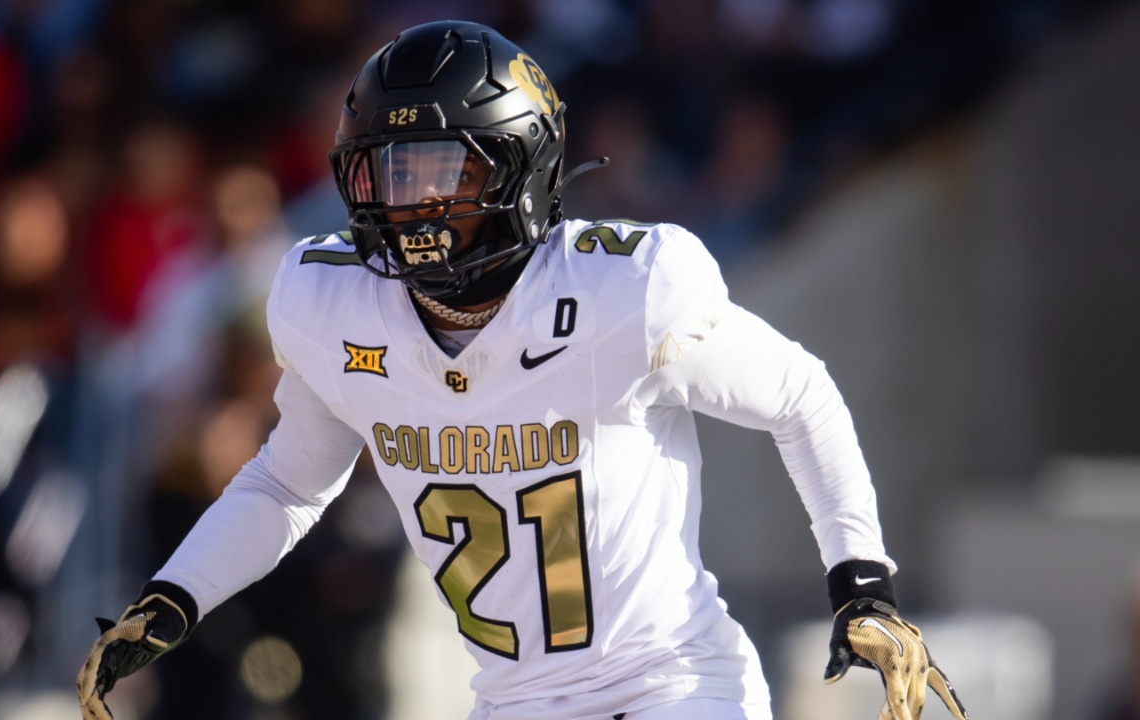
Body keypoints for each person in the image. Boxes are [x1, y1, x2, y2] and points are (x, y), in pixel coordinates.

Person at [77, 20, 969, 720]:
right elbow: (284, 483)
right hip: (510, 702)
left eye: (438, 170)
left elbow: (798, 393)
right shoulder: (332, 308)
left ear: (518, 166)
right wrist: (175, 596)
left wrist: (863, 584)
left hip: (673, 689)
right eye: (387, 173)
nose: (411, 201)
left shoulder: (624, 290)